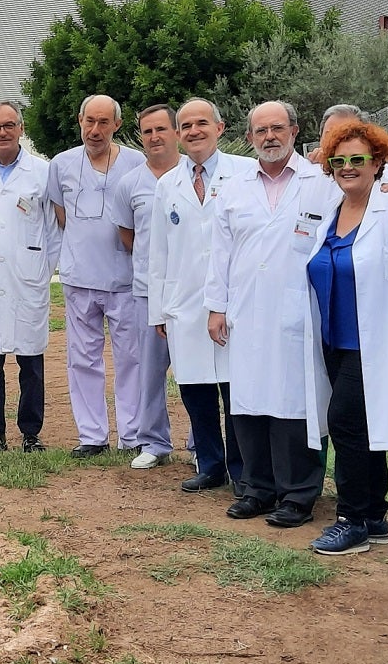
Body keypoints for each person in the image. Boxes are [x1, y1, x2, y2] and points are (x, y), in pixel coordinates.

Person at [302, 118, 388, 555]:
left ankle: (351, 519)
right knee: (363, 425)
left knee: (345, 422)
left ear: (378, 163)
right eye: (339, 161)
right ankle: (374, 515)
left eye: (358, 159)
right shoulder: (331, 212)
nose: (348, 168)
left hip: (372, 339)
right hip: (333, 340)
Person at [204, 101, 326, 527]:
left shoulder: (320, 183)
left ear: (294, 130)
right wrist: (216, 307)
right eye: (261, 131)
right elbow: (219, 253)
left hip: (299, 309)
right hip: (245, 309)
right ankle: (256, 489)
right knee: (248, 400)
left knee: (293, 403)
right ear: (249, 137)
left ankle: (297, 494)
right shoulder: (234, 187)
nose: (269, 137)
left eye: (277, 128)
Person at [150, 98, 254, 493]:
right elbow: (157, 252)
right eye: (187, 126)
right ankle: (210, 464)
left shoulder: (245, 173)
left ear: (220, 128)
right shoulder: (167, 185)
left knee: (235, 389)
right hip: (184, 303)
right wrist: (158, 310)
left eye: (202, 123)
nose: (194, 131)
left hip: (232, 300)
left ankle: (242, 469)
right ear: (178, 134)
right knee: (195, 389)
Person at [46, 94, 147, 457]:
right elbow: (61, 216)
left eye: (104, 122)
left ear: (117, 125)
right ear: (80, 121)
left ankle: (132, 435)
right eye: (90, 121)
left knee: (131, 359)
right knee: (82, 359)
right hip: (80, 277)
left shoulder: (136, 163)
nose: (95, 130)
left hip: (125, 278)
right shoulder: (61, 164)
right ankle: (92, 436)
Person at [0, 101, 54, 453]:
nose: (2, 132)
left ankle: (31, 432)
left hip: (27, 277)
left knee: (31, 361)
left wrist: (44, 269)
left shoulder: (42, 172)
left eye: (9, 125)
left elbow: (54, 229)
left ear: (21, 128)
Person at [112, 103, 180, 469]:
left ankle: (201, 446)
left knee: (196, 374)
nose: (154, 137)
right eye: (147, 131)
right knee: (149, 372)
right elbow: (128, 237)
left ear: (176, 132)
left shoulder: (194, 175)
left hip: (190, 292)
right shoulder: (130, 184)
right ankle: (153, 441)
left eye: (161, 129)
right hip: (146, 293)